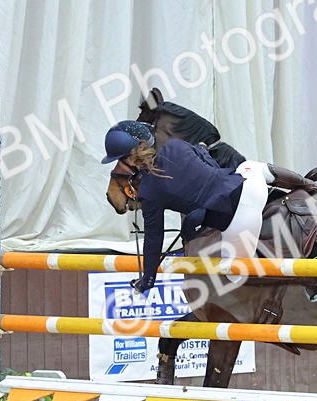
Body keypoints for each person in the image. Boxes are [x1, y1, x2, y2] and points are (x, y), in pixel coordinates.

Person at [101, 120, 273, 294]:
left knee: (234, 275)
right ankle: (288, 179)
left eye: (119, 161)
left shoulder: (148, 191)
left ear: (130, 160)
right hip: (251, 185)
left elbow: (154, 238)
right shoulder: (174, 144)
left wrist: (147, 279)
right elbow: (209, 162)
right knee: (251, 167)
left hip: (241, 220)